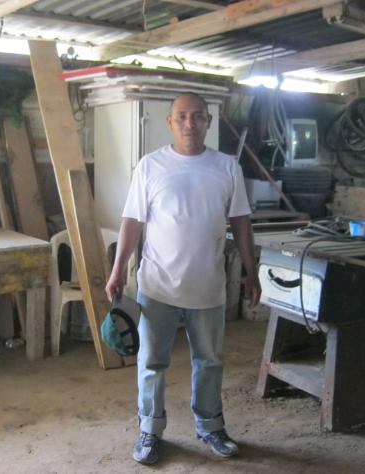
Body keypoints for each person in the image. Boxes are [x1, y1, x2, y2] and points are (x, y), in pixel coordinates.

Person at [105, 92, 259, 465]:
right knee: (151, 362)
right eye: (182, 116)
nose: (190, 123)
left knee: (209, 361)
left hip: (207, 287)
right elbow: (132, 222)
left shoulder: (227, 167)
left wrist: (252, 272)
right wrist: (117, 269)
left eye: (198, 116)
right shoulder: (150, 166)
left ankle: (210, 426)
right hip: (157, 287)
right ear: (170, 122)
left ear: (208, 122)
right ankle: (150, 430)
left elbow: (241, 222)